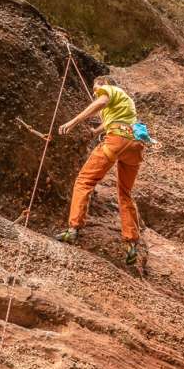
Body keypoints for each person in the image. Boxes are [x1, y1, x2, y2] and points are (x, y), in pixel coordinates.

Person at [54, 75, 144, 265]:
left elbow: (101, 102)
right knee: (125, 193)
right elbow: (113, 120)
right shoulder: (126, 101)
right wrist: (96, 132)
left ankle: (73, 229)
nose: (95, 92)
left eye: (96, 88)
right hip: (135, 146)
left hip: (116, 141)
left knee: (84, 181)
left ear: (106, 84)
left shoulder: (110, 89)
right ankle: (131, 243)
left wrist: (73, 122)